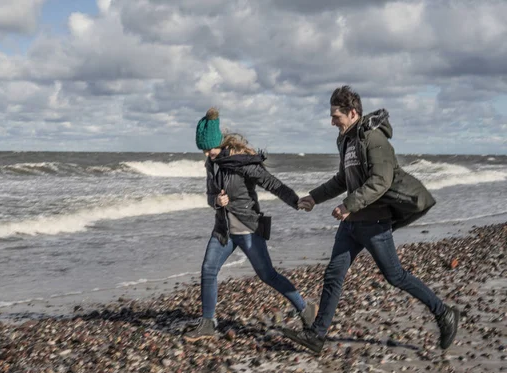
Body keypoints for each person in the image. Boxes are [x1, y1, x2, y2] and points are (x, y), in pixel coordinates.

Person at [283, 86, 459, 354]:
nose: (332, 122)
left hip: (374, 221)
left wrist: (348, 205)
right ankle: (317, 335)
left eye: (336, 116)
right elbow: (344, 179)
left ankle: (444, 313)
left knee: (395, 276)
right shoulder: (345, 141)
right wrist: (314, 198)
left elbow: (381, 181)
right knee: (333, 274)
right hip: (351, 223)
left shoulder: (374, 139)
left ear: (353, 113)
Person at [184, 107, 317, 342]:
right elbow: (209, 195)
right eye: (203, 151)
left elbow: (271, 183)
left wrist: (295, 200)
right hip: (224, 229)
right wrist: (216, 201)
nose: (206, 155)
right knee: (208, 269)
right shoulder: (212, 165)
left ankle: (305, 308)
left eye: (209, 149)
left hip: (248, 229)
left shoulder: (244, 163)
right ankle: (207, 323)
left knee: (267, 275)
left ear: (220, 144)